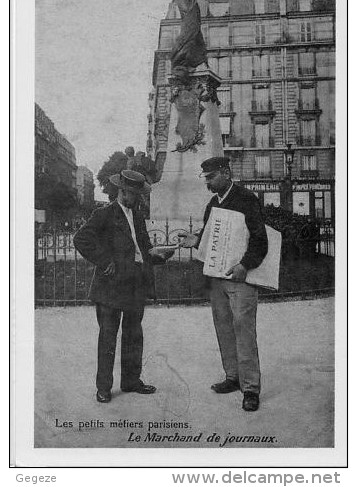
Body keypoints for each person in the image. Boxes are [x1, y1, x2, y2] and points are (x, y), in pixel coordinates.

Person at [73, 170, 174, 403]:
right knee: (108, 337)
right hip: (110, 286)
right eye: (132, 194)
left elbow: (144, 247)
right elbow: (81, 239)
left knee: (133, 335)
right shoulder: (104, 214)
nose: (137, 198)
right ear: (121, 191)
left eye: (139, 194)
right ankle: (104, 388)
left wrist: (158, 254)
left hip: (135, 283)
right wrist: (104, 260)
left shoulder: (138, 215)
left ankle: (131, 382)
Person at [179, 157, 268, 412]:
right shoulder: (212, 204)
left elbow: (260, 240)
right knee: (224, 327)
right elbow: (210, 239)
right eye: (205, 177)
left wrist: (245, 265)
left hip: (240, 278)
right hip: (217, 279)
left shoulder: (246, 199)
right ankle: (233, 377)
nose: (207, 182)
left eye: (211, 177)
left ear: (226, 173)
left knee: (244, 330)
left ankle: (250, 389)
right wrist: (195, 239)